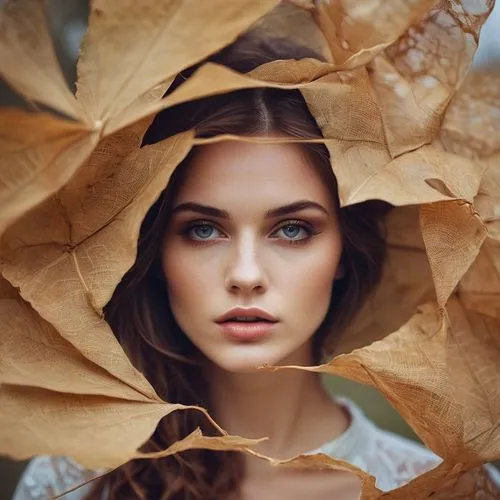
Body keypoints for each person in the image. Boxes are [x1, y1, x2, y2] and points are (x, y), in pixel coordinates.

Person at [12, 35, 500, 500]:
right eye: (203, 229)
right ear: (154, 251)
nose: (246, 274)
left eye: (292, 229)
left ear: (344, 253)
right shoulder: (74, 483)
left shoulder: (438, 489)